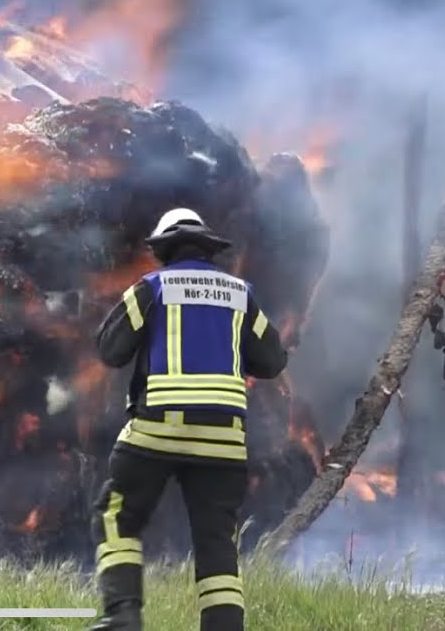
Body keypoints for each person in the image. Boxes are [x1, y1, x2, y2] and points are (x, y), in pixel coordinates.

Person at [87, 208, 289, 631]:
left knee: (116, 514)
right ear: (208, 250)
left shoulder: (151, 288)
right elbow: (272, 360)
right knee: (217, 542)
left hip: (156, 433)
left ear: (163, 250)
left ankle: (123, 616)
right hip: (224, 443)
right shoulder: (240, 294)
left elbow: (110, 349)